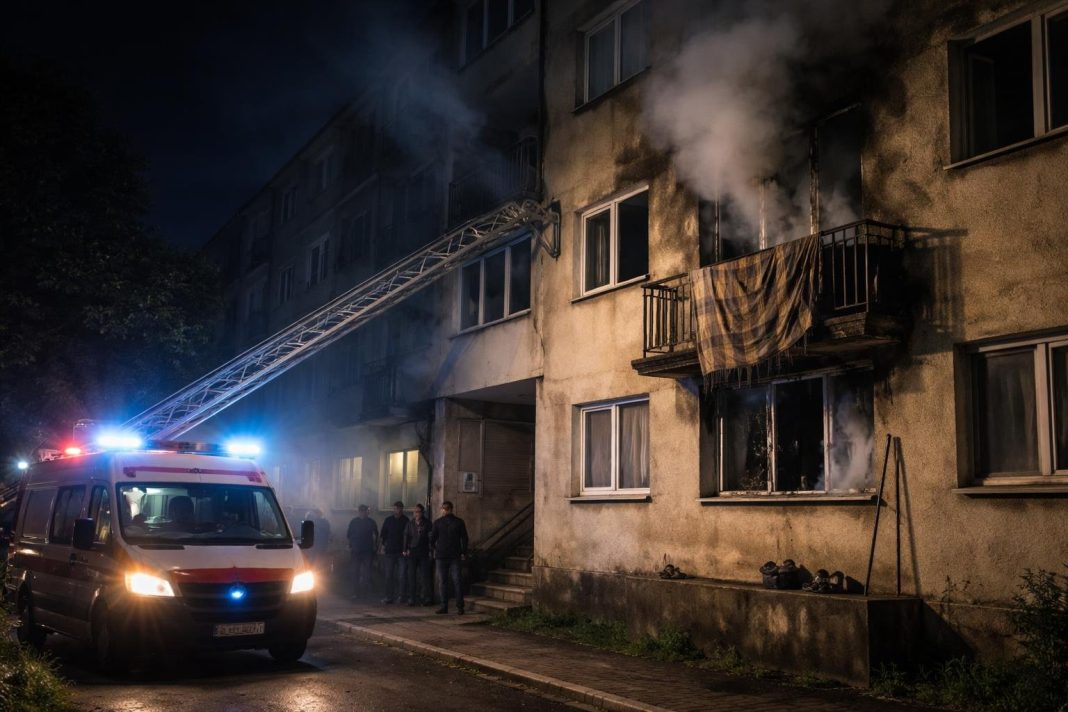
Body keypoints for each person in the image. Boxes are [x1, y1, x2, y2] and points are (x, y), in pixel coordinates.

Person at [429, 500, 468, 615]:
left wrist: (436, 549)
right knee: (454, 581)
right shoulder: (458, 522)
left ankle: (447, 606)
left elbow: (432, 539)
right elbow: (464, 538)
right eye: (443, 508)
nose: (444, 511)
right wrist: (463, 552)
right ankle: (457, 607)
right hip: (452, 555)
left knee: (446, 582)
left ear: (448, 509)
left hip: (444, 556)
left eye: (445, 509)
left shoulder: (439, 522)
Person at [403, 503, 433, 606]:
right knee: (411, 576)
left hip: (423, 551)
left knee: (425, 576)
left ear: (422, 512)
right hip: (412, 552)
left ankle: (426, 598)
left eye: (418, 512)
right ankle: (412, 598)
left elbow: (431, 537)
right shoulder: (410, 523)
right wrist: (405, 549)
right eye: (415, 512)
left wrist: (431, 550)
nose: (416, 514)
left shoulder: (427, 523)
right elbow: (406, 536)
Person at [379, 501, 409, 604]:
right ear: (393, 509)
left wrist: (407, 549)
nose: (398, 510)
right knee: (388, 575)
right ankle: (389, 597)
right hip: (390, 552)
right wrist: (382, 547)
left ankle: (402, 596)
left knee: (402, 576)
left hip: (401, 552)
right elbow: (383, 534)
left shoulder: (406, 520)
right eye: (396, 508)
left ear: (402, 509)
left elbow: (409, 535)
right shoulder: (388, 520)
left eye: (400, 508)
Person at [346, 505, 378, 600]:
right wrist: (350, 545)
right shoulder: (354, 522)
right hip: (357, 551)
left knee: (366, 573)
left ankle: (364, 594)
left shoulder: (371, 522)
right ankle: (356, 593)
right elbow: (349, 535)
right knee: (355, 572)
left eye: (364, 511)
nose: (363, 513)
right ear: (359, 511)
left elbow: (376, 535)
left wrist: (375, 547)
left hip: (367, 551)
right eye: (361, 511)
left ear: (366, 512)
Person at [304, 508, 332, 572]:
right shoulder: (325, 522)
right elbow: (329, 533)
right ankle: (320, 572)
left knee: (313, 559)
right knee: (321, 559)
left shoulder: (313, 522)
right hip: (322, 545)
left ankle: (314, 571)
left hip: (314, 545)